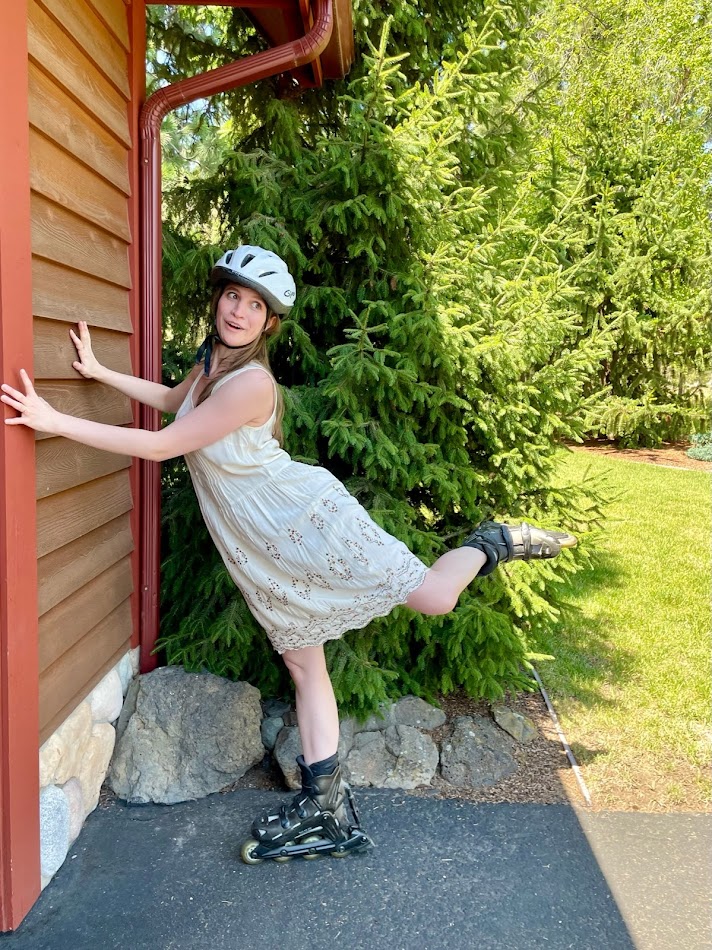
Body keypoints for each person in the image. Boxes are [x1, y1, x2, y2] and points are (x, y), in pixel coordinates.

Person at [1, 245, 576, 863]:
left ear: (270, 322)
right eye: (233, 296)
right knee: (304, 664)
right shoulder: (211, 364)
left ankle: (492, 542)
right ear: (219, 298)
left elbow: (164, 445)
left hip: (306, 520)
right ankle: (326, 803)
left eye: (255, 306)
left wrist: (56, 421)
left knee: (434, 597)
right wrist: (100, 372)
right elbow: (172, 402)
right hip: (264, 544)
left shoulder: (251, 383)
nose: (239, 311)